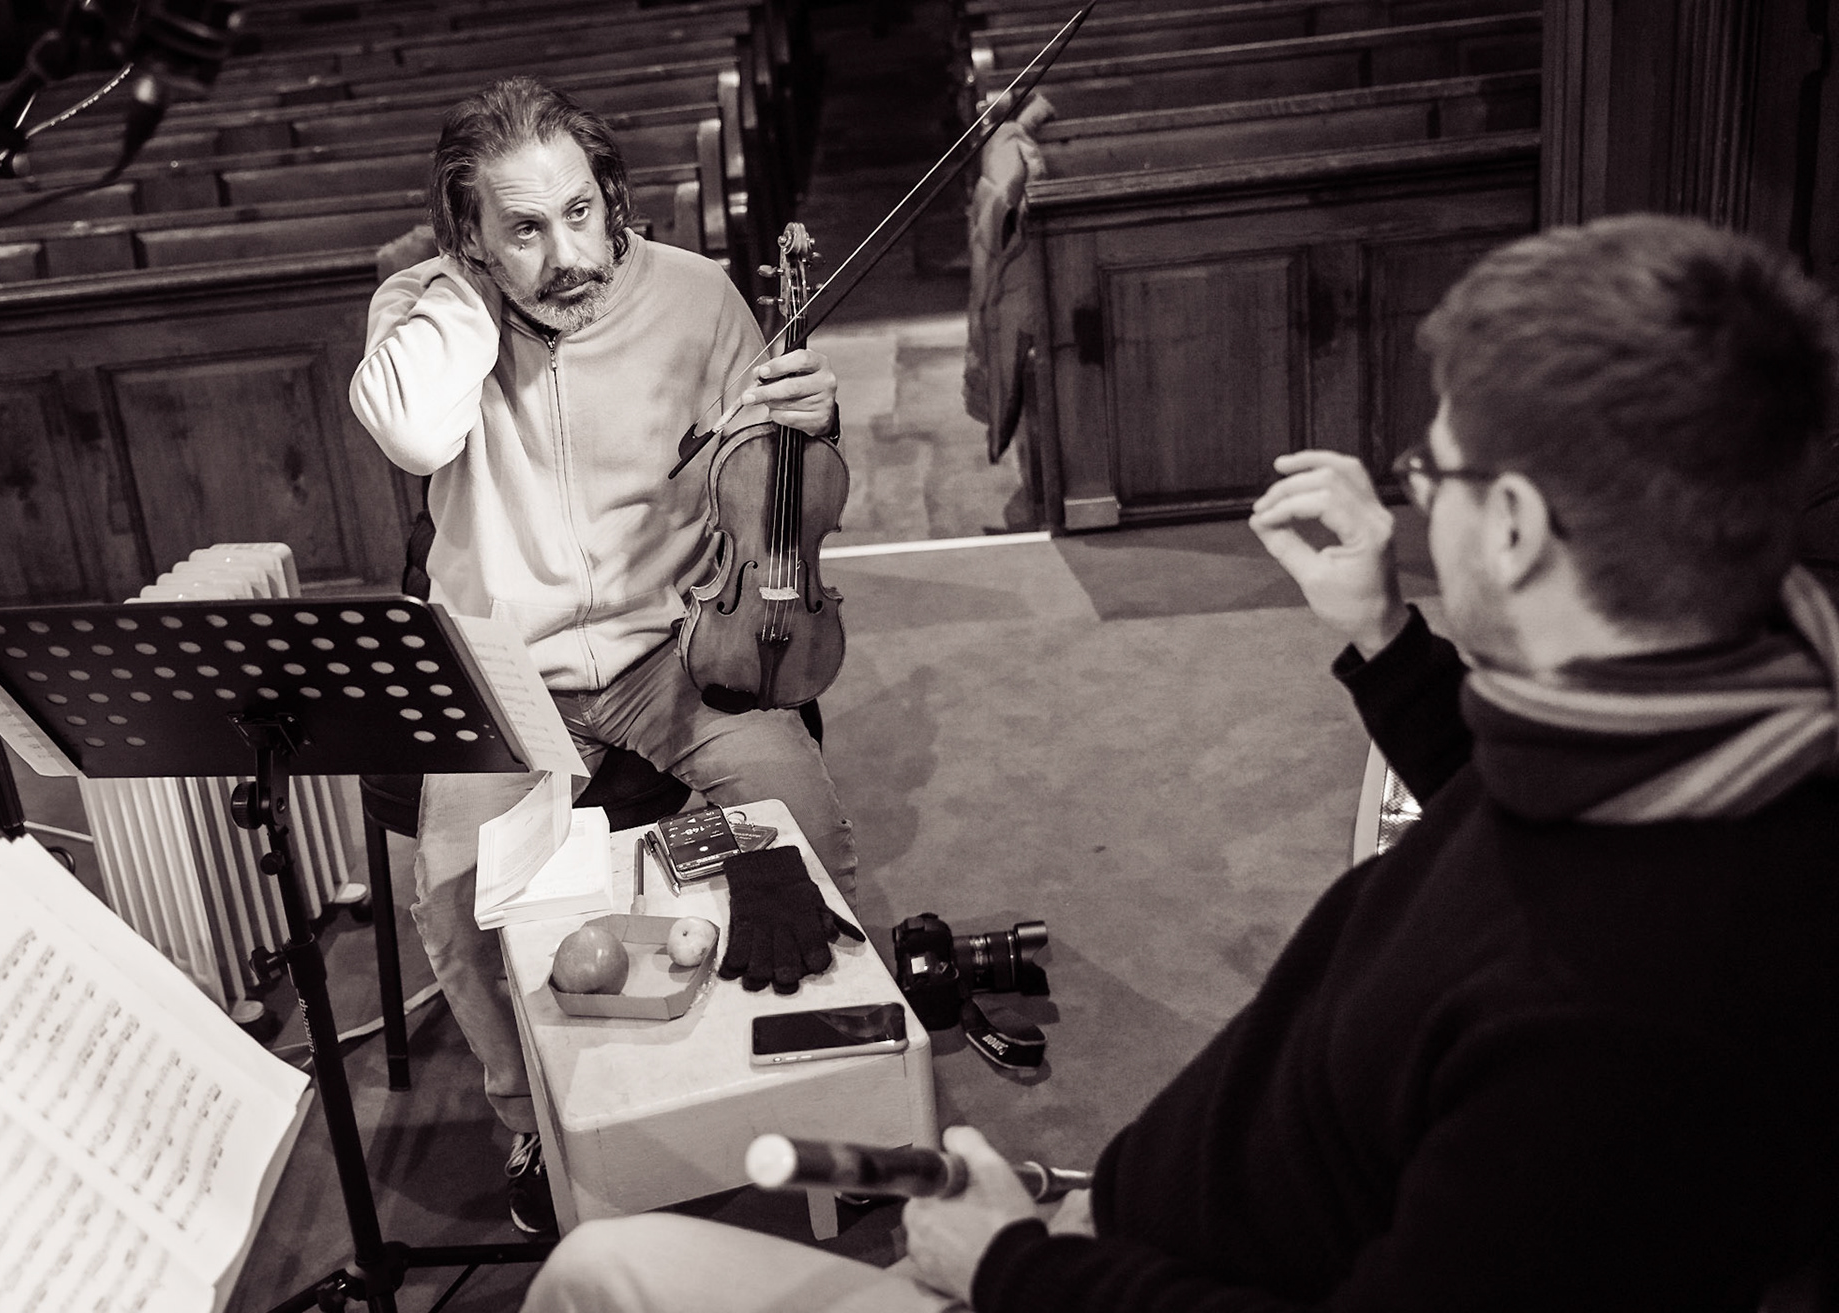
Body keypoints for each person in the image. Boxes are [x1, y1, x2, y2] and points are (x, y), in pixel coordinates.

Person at [520, 213, 1839, 1312]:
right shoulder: (1691, 731)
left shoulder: (1620, 1024)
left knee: (597, 1273)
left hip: (1093, 1280)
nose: (1414, 496)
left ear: (1514, 527)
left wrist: (1009, 1264)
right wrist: (1387, 637)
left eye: (1432, 469)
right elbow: (1502, 819)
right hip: (1136, 1226)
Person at [348, 76, 857, 1236]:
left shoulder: (696, 295)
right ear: (469, 232)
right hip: (504, 669)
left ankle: (819, 1071)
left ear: (612, 194)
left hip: (675, 641)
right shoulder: (423, 309)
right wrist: (467, 292)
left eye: (581, 212)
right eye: (524, 228)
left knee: (799, 818)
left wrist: (810, 418)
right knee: (455, 897)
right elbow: (417, 433)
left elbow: (780, 487)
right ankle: (530, 1114)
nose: (569, 255)